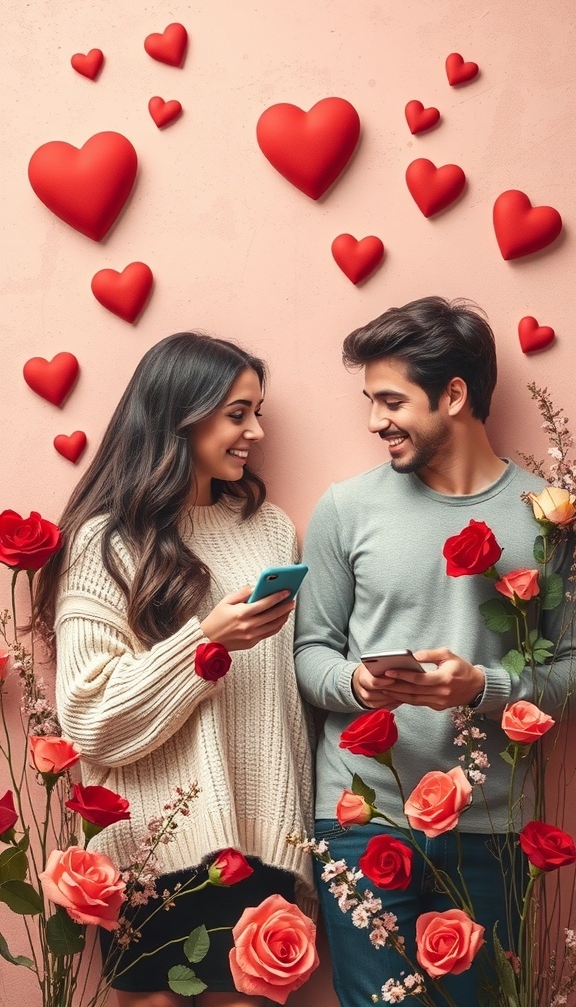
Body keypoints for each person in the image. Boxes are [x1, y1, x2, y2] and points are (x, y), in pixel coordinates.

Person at [294, 296, 575, 1007]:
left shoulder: (550, 518)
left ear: (453, 395)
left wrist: (482, 686)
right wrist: (358, 684)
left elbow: (572, 671)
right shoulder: (345, 509)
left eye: (391, 401)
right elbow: (310, 654)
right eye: (370, 401)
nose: (374, 421)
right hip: (363, 818)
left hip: (490, 824)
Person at [35, 331, 316, 1007]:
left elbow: (282, 699)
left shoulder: (271, 530)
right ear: (180, 417)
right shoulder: (107, 541)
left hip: (262, 840)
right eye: (237, 414)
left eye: (257, 412)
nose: (256, 431)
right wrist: (205, 641)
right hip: (153, 851)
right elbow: (89, 717)